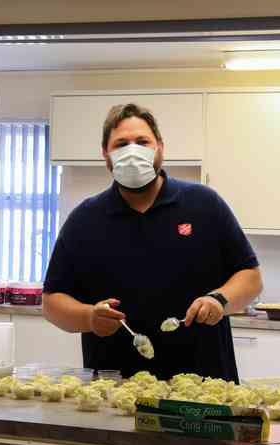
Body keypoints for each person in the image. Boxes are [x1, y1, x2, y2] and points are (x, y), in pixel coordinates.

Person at [42, 103, 262, 382]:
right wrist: (88, 318)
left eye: (142, 141)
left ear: (159, 147)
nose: (132, 150)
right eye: (121, 144)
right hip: (115, 389)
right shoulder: (85, 219)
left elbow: (250, 276)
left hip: (206, 386)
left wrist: (218, 299)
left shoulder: (204, 204)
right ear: (105, 154)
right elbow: (52, 301)